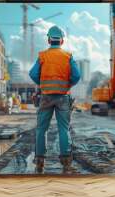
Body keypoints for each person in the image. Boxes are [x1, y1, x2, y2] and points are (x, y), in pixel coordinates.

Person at [29, 25, 81, 173]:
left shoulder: (43, 56)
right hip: (63, 97)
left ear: (49, 40)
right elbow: (77, 76)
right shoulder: (68, 56)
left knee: (41, 129)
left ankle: (40, 161)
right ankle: (66, 162)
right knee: (63, 129)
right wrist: (67, 84)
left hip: (46, 96)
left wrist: (42, 83)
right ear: (62, 41)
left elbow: (32, 74)